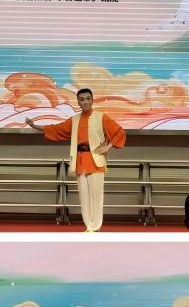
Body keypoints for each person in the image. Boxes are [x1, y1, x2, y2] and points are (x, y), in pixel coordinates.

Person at [26, 88, 126, 232]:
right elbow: (57, 129)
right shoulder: (75, 119)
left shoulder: (101, 117)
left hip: (96, 160)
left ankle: (96, 226)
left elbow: (119, 132)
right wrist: (35, 126)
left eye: (88, 99)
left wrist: (108, 147)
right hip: (80, 160)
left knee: (96, 196)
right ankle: (89, 226)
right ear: (78, 102)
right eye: (82, 99)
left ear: (92, 100)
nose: (85, 102)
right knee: (84, 197)